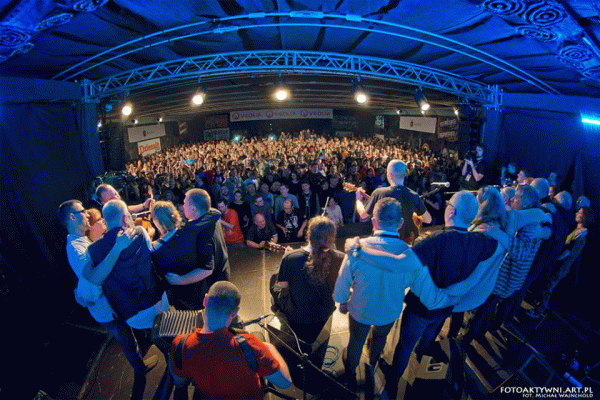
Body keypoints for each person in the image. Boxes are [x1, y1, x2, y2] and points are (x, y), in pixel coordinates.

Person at [341, 194, 505, 398]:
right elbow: (504, 244)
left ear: (451, 211)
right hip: (446, 308)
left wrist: (358, 250)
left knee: (405, 347)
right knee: (427, 340)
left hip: (421, 309)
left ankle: (393, 384)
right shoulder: (485, 242)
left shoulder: (437, 240)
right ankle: (420, 372)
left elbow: (398, 263)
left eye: (448, 204)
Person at [59, 200, 157, 400]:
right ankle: (140, 368)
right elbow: (94, 277)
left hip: (111, 304)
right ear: (72, 217)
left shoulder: (83, 240)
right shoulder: (76, 248)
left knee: (128, 335)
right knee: (127, 339)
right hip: (106, 310)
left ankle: (139, 365)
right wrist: (117, 248)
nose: (87, 214)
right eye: (83, 212)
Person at [169, 281, 292, 399]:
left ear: (205, 300)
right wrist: (270, 347)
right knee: (259, 335)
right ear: (235, 312)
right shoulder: (250, 345)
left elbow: (179, 382)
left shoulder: (180, 344)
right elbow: (285, 383)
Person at [275, 216, 345, 347]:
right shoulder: (341, 258)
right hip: (325, 313)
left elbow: (283, 285)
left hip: (298, 316)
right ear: (332, 237)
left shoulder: (290, 258)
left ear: (309, 234)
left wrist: (288, 257)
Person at [531, 206, 594, 317]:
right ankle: (539, 308)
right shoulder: (578, 231)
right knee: (547, 287)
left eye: (579, 213)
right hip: (562, 266)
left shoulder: (579, 234)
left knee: (548, 288)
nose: (576, 213)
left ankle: (539, 311)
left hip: (561, 266)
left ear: (584, 217)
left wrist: (554, 259)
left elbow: (568, 252)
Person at [355, 160, 431, 244]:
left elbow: (363, 215)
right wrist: (414, 214)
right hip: (404, 245)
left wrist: (358, 200)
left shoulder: (379, 193)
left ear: (390, 176)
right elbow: (428, 220)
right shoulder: (414, 195)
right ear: (405, 174)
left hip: (383, 244)